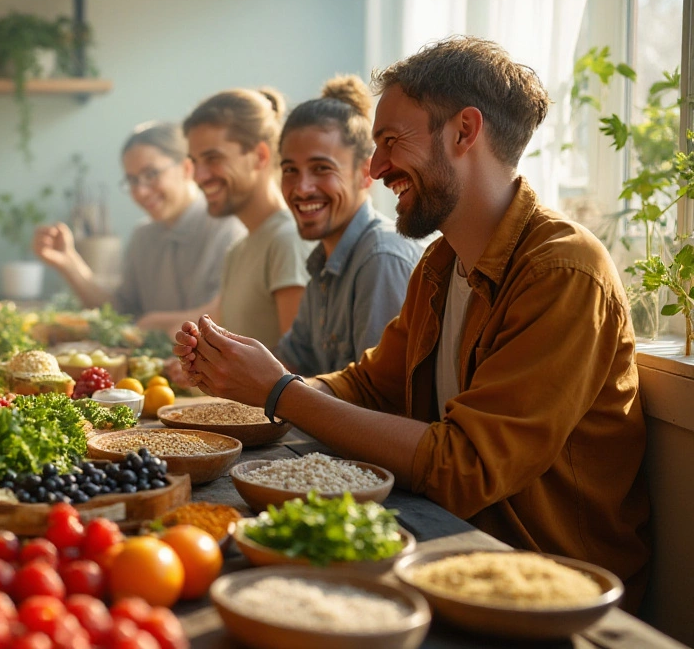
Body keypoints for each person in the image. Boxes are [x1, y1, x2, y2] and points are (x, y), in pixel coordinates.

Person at [175, 37, 650, 599]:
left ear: (464, 132)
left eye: (391, 141)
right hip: (441, 542)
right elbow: (369, 387)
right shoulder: (440, 263)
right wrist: (245, 387)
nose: (375, 169)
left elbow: (464, 468)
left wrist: (278, 391)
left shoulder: (564, 272)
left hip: (540, 585)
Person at [274, 76, 422, 375]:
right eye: (290, 170)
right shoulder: (322, 264)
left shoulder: (381, 259)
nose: (301, 189)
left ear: (365, 174)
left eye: (321, 169)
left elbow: (378, 404)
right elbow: (289, 365)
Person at [31, 121, 246, 328]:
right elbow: (120, 313)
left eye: (151, 174)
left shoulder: (228, 230)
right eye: (132, 180)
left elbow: (225, 318)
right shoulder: (143, 235)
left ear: (187, 169)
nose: (140, 191)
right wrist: (68, 263)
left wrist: (152, 323)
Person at [159, 87, 312, 346]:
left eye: (213, 158)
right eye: (195, 162)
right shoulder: (238, 251)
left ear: (260, 156)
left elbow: (297, 371)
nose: (199, 176)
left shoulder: (287, 241)